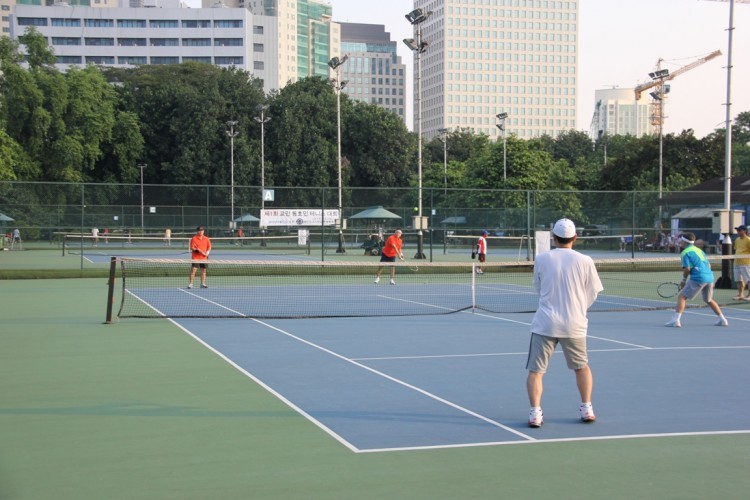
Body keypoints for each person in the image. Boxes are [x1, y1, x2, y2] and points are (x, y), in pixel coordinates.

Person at [526, 218, 603, 428]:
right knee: (581, 367)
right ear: (575, 238)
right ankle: (587, 408)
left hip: (546, 323)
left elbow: (538, 288)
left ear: (553, 237)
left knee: (536, 371)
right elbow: (593, 292)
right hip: (575, 324)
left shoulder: (541, 259)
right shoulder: (586, 260)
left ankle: (535, 413)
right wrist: (579, 308)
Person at [665, 232, 728, 328]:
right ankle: (723, 320)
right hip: (710, 277)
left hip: (699, 277)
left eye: (681, 240)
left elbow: (687, 269)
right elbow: (708, 265)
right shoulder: (699, 250)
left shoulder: (685, 252)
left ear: (684, 242)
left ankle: (676, 320)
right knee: (709, 299)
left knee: (682, 297)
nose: (680, 242)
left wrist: (683, 281)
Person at [732, 225, 750, 301]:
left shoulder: (748, 240)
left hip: (746, 263)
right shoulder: (737, 240)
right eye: (737, 230)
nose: (738, 232)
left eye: (739, 230)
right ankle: (740, 295)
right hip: (737, 263)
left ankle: (749, 295)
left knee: (749, 280)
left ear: (744, 231)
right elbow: (736, 250)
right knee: (739, 280)